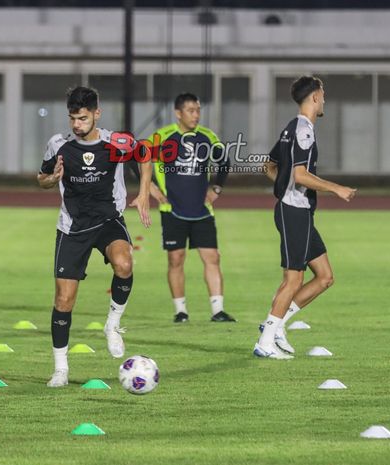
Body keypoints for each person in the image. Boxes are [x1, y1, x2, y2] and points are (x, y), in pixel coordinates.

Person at [37, 86, 151, 387]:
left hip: (108, 220)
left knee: (124, 264)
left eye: (83, 118)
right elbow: (42, 178)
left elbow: (145, 154)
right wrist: (53, 179)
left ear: (96, 114)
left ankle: (112, 325)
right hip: (72, 226)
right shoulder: (58, 144)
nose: (77, 124)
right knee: (64, 299)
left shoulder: (116, 142)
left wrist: (142, 194)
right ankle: (61, 368)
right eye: (73, 118)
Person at [254, 75, 356, 359]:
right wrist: (336, 188)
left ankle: (277, 326)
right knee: (293, 279)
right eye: (322, 94)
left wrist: (282, 183)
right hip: (293, 212)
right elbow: (299, 174)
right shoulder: (303, 131)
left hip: (299, 212)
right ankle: (265, 341)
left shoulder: (293, 127)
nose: (324, 99)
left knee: (324, 277)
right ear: (314, 97)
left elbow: (269, 165)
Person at [147, 93, 236, 323]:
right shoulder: (163, 137)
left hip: (202, 211)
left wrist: (216, 188)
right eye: (190, 110)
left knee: (212, 258)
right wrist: (151, 188)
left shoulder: (207, 137)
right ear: (178, 113)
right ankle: (181, 312)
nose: (196, 115)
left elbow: (224, 161)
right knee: (176, 260)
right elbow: (139, 159)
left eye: (197, 110)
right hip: (172, 210)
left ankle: (218, 311)